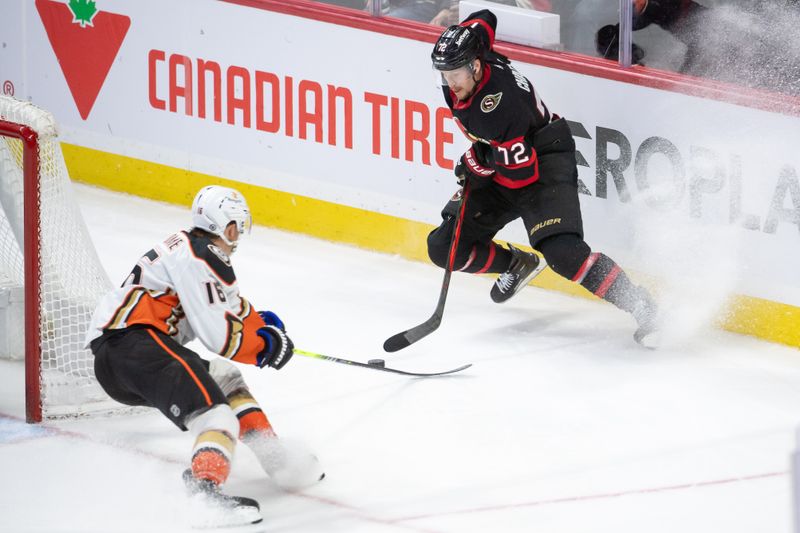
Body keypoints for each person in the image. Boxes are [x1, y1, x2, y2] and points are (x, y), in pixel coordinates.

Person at [85, 185, 324, 527]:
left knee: (224, 378)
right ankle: (204, 492)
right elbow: (221, 337)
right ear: (228, 227)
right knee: (216, 415)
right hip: (135, 346)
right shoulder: (203, 256)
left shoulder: (190, 249)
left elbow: (231, 308)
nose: (238, 237)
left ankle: (276, 459)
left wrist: (262, 326)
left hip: (122, 354)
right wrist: (264, 347)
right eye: (238, 228)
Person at [428, 9, 659, 347]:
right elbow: (485, 17)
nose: (451, 84)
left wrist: (475, 163)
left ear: (476, 67)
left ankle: (641, 304)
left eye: (456, 76)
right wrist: (460, 24)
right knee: (444, 247)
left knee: (564, 253)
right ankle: (516, 264)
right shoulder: (476, 49)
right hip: (506, 155)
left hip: (543, 160)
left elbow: (520, 175)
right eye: (445, 75)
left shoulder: (499, 107)